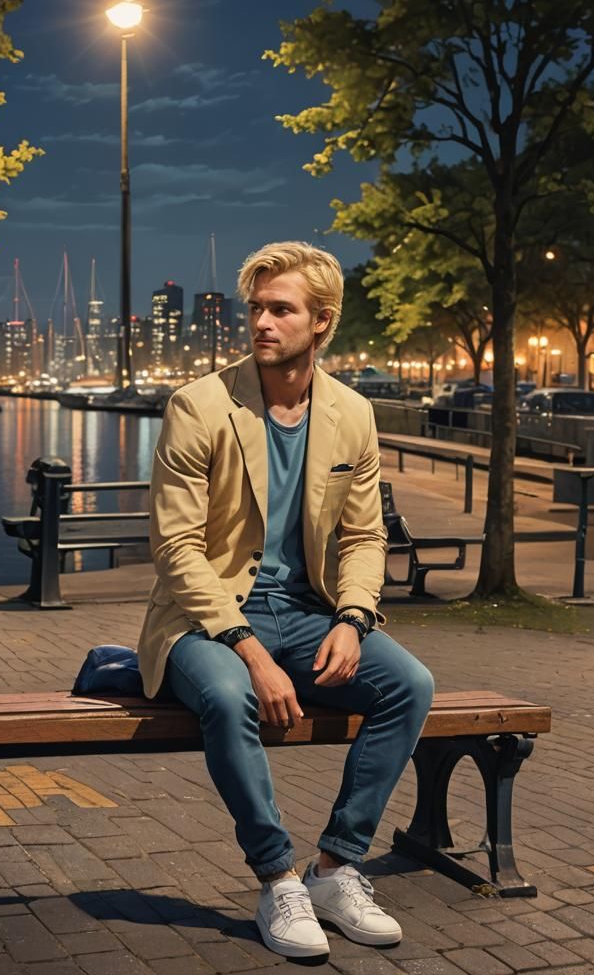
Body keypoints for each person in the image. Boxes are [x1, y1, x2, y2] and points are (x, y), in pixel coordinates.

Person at [138, 241, 434, 960]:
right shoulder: (199, 406)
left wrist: (354, 619)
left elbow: (365, 536)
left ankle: (335, 868)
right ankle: (277, 879)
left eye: (281, 309)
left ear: (321, 322)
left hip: (308, 612)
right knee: (232, 694)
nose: (262, 322)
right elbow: (176, 548)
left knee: (410, 685)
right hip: (204, 618)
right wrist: (246, 647)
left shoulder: (352, 414)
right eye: (256, 308)